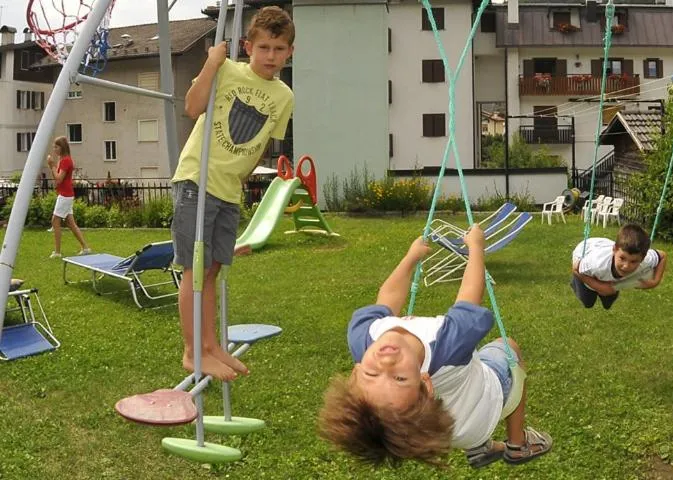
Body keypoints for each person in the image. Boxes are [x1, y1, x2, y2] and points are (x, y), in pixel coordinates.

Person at [320, 226, 553, 468]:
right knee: (508, 347)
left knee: (466, 381)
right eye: (399, 378)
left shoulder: (362, 337)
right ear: (424, 382)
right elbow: (470, 294)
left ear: (356, 371)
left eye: (371, 374)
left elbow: (387, 299)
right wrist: (475, 247)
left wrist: (410, 258)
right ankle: (518, 444)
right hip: (482, 411)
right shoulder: (448, 343)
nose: (385, 363)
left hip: (452, 430)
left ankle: (481, 449)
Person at [170, 6, 295, 381]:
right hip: (197, 178)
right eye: (264, 47)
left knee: (212, 271)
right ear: (248, 46)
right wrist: (210, 63)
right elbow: (192, 107)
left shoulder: (284, 96)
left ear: (290, 52)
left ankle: (211, 346)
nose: (270, 56)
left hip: (228, 190)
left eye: (279, 49)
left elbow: (260, 147)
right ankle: (192, 351)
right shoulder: (227, 71)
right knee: (194, 270)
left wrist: (240, 178)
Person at [571, 223, 667, 310]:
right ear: (615, 250)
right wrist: (599, 286)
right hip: (586, 252)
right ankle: (574, 283)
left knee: (608, 302)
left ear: (642, 258)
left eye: (633, 261)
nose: (626, 266)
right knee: (588, 303)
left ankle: (607, 287)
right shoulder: (596, 263)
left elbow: (662, 255)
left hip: (604, 252)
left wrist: (655, 282)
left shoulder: (645, 260)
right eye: (622, 258)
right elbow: (575, 268)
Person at [46, 136, 92, 259]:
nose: (54, 149)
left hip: (65, 195)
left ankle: (57, 251)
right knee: (71, 223)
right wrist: (54, 166)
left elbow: (59, 178)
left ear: (62, 147)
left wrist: (52, 166)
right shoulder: (62, 160)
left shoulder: (66, 161)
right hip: (65, 194)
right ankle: (86, 248)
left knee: (55, 221)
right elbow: (58, 179)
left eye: (56, 147)